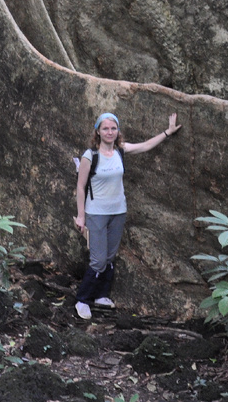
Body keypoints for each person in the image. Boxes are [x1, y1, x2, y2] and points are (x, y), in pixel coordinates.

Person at [73, 111, 181, 319]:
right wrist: (81, 216)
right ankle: (82, 299)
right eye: (105, 128)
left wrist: (168, 132)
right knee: (98, 260)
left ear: (118, 131)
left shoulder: (120, 150)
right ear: (98, 131)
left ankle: (101, 295)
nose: (110, 132)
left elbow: (146, 146)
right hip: (96, 212)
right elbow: (80, 186)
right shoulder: (90, 156)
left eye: (113, 128)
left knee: (110, 257)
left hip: (118, 211)